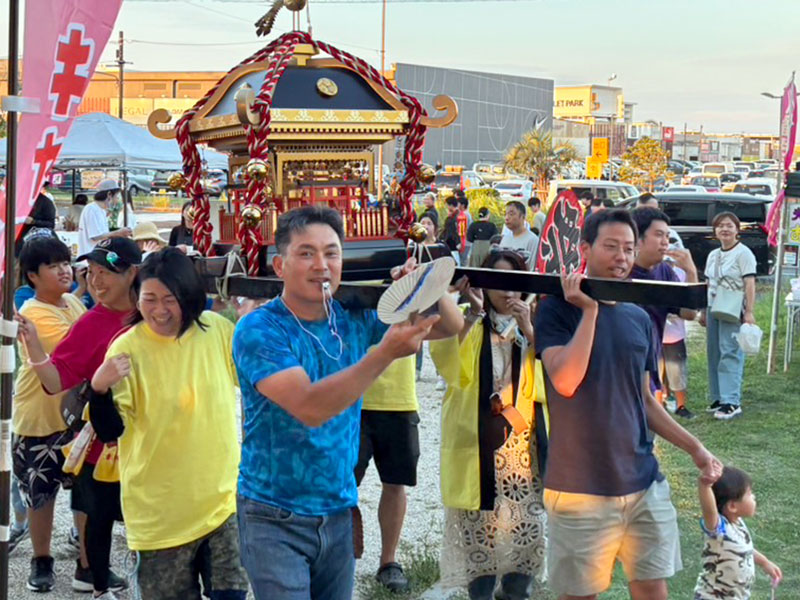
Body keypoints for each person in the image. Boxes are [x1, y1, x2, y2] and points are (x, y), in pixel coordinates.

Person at [232, 206, 462, 599]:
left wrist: (422, 287)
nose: (321, 265)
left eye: (331, 253)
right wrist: (383, 353)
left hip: (338, 509)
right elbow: (309, 407)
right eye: (305, 253)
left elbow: (449, 326)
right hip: (274, 513)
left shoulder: (350, 317)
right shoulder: (259, 329)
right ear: (279, 265)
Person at [534, 209, 722, 600]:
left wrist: (696, 449)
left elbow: (644, 400)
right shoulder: (556, 308)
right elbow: (565, 381)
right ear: (585, 248)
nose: (621, 257)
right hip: (579, 489)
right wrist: (589, 311)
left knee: (654, 589)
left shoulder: (638, 317)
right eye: (611, 247)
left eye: (628, 248)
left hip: (642, 481)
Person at [88, 248, 248, 599]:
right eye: (150, 299)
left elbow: (257, 382)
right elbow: (111, 431)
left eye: (170, 300)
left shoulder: (218, 331)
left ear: (189, 296)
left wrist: (252, 318)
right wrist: (98, 388)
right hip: (160, 514)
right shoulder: (126, 349)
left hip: (222, 502)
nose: (160, 311)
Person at [17, 238, 141, 598]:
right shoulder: (87, 321)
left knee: (128, 519)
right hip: (83, 434)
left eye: (107, 272)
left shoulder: (156, 310)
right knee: (58, 500)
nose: (97, 280)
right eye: (94, 272)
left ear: (133, 273)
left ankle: (101, 570)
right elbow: (56, 378)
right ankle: (58, 564)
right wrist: (35, 347)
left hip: (149, 438)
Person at [431, 250, 546, 600]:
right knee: (479, 531)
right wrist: (474, 312)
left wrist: (529, 329)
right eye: (497, 282)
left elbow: (553, 376)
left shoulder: (533, 325)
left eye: (514, 283)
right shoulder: (469, 322)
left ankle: (515, 592)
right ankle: (480, 592)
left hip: (522, 446)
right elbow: (450, 368)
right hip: (476, 441)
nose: (506, 292)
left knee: (526, 529)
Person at [12, 236, 87, 592]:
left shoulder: (72, 301)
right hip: (39, 420)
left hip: (73, 420)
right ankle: (41, 559)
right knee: (41, 497)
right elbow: (79, 347)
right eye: (53, 266)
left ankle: (88, 558)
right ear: (32, 276)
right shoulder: (32, 313)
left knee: (85, 491)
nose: (64, 270)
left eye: (65, 263)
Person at [354, 354, 419, 593]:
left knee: (395, 482)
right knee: (341, 483)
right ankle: (334, 554)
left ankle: (388, 561)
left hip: (398, 396)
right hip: (348, 392)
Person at [629, 207, 698, 416]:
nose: (665, 242)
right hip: (623, 370)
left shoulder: (664, 271)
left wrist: (691, 271)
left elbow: (688, 313)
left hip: (650, 368)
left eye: (667, 236)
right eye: (658, 235)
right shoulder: (621, 270)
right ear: (638, 240)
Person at [699, 212, 757, 421]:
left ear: (737, 229)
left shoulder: (744, 253)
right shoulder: (713, 255)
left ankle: (731, 401)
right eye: (720, 226)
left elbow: (749, 283)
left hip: (733, 309)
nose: (724, 229)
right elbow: (708, 284)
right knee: (714, 352)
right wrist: (703, 310)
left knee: (729, 352)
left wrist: (748, 311)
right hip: (714, 306)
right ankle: (718, 397)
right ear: (715, 231)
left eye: (729, 226)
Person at [695, 466, 782, 599]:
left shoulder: (738, 523)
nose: (754, 496)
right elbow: (709, 510)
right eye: (749, 493)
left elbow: (745, 549)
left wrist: (764, 562)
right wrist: (705, 486)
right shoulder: (719, 529)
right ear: (732, 506)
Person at [78, 180, 132, 256]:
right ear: (109, 194)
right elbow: (96, 236)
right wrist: (118, 233)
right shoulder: (92, 209)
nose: (116, 201)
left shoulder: (101, 211)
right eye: (116, 197)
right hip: (89, 257)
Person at [16, 181, 57, 254]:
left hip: (36, 241)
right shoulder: (18, 200)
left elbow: (51, 224)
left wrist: (33, 221)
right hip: (17, 239)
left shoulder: (46, 202)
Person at [499, 201, 538, 270]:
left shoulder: (532, 240)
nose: (507, 218)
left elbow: (532, 268)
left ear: (522, 217)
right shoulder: (505, 239)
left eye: (511, 214)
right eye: (505, 214)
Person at [439, 196, 462, 264]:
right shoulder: (455, 216)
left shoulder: (454, 217)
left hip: (452, 243)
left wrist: (458, 242)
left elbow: (454, 231)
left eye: (447, 205)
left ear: (451, 205)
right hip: (452, 243)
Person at [456, 193, 472, 265]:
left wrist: (461, 244)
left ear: (462, 205)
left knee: (462, 262)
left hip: (464, 243)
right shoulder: (467, 214)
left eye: (458, 204)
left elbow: (462, 231)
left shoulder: (463, 215)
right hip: (467, 242)